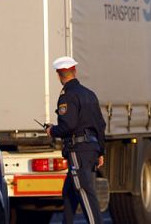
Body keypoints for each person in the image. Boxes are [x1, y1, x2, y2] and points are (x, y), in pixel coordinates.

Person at [47, 56, 106, 224]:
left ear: (59, 74)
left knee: (84, 191)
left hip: (78, 150)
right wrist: (101, 151)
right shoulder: (89, 94)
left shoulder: (67, 95)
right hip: (91, 148)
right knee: (69, 193)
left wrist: (52, 130)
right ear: (75, 71)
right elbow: (100, 125)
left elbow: (68, 126)